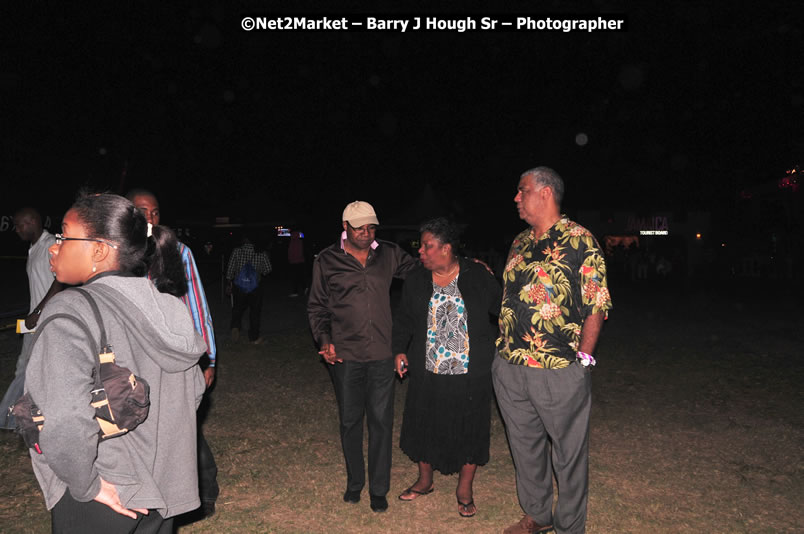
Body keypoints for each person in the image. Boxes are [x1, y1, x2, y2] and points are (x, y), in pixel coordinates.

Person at [24, 193, 207, 533]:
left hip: (104, 490)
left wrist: (87, 485)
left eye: (65, 236)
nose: (55, 246)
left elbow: (63, 419)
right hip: (162, 491)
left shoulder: (70, 310)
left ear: (99, 250)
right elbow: (192, 392)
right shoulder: (170, 306)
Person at [493, 167, 613, 534]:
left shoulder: (580, 241)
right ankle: (537, 514)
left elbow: (597, 304)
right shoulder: (519, 242)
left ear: (545, 193)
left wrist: (583, 361)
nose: (516, 197)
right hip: (511, 365)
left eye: (522, 190)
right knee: (525, 447)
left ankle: (570, 526)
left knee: (568, 455)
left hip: (558, 367)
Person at [307, 200, 418, 512]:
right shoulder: (327, 260)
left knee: (382, 422)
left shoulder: (390, 253)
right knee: (350, 421)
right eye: (359, 228)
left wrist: (460, 265)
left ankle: (378, 489)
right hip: (345, 354)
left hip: (382, 353)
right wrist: (324, 339)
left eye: (371, 227)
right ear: (345, 227)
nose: (366, 233)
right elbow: (317, 306)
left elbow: (422, 273)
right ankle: (355, 482)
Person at [392, 218, 501, 518]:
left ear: (447, 248)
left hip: (470, 370)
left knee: (470, 427)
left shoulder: (476, 275)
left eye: (427, 246)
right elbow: (403, 319)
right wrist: (399, 349)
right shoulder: (416, 279)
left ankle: (464, 490)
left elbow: (503, 308)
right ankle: (425, 481)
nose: (421, 252)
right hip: (428, 368)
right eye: (422, 246)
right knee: (423, 423)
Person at [126, 188, 220, 518]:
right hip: (134, 358)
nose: (149, 218)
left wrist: (206, 359)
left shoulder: (178, 252)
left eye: (155, 212)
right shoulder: (118, 253)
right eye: (142, 211)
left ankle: (205, 488)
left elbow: (197, 306)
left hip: (176, 354)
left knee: (183, 425)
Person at [1, 207, 63, 430]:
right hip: (33, 322)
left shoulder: (50, 245)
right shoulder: (33, 249)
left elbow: (61, 280)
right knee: (24, 368)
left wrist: (38, 312)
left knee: (32, 370)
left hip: (47, 321)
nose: (16, 229)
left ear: (32, 222)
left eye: (19, 224)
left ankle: (11, 419)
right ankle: (14, 418)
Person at [225, 235, 272, 344]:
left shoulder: (237, 251)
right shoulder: (261, 253)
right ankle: (254, 337)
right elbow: (268, 270)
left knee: (237, 308)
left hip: (239, 286)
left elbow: (230, 268)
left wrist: (229, 282)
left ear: (244, 240)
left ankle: (235, 326)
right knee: (255, 312)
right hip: (255, 287)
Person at [287, 230, 307, 297]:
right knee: (301, 276)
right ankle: (305, 288)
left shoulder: (292, 242)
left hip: (294, 262)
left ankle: (295, 292)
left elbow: (290, 252)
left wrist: (290, 259)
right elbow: (301, 252)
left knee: (294, 277)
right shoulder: (300, 241)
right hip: (301, 261)